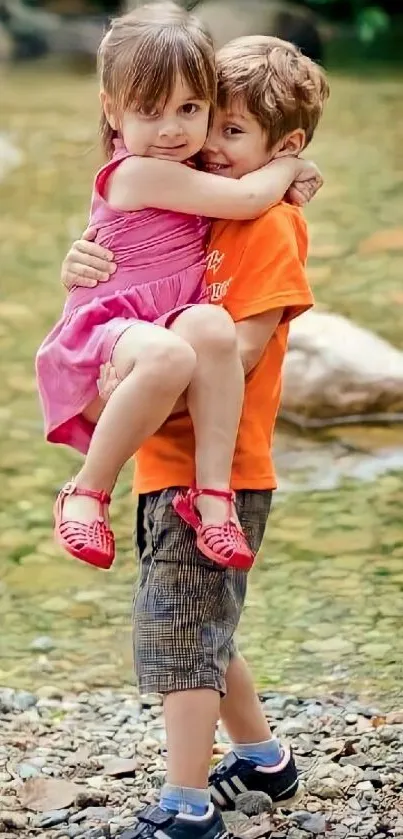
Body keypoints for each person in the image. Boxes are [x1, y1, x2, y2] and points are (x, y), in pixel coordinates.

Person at [61, 33, 329, 839]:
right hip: (168, 458)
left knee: (181, 635)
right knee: (200, 618)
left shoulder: (266, 226)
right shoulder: (198, 204)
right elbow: (134, 261)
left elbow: (238, 353)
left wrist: (150, 375)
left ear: (281, 143)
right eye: (211, 122)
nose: (205, 143)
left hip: (221, 465)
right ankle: (263, 759)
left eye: (228, 130)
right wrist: (84, 270)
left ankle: (185, 803)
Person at [36, 2, 320, 574]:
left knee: (209, 325)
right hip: (107, 336)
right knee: (171, 353)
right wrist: (290, 167)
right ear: (112, 110)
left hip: (154, 334)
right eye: (151, 111)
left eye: (192, 110)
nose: (175, 130)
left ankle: (212, 496)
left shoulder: (195, 171)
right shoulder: (140, 172)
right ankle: (88, 489)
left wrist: (282, 164)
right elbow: (246, 197)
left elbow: (242, 198)